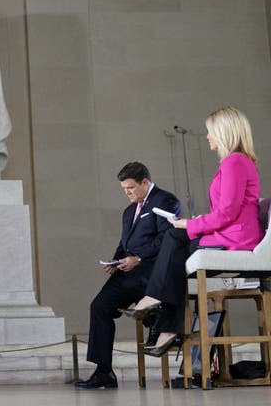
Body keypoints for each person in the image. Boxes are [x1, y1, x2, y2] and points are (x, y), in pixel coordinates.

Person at [122, 106, 264, 357]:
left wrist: (190, 224)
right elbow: (227, 210)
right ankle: (167, 326)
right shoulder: (236, 162)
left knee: (174, 236)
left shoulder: (234, 162)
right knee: (174, 248)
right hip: (230, 231)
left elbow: (228, 214)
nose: (208, 136)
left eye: (210, 131)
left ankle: (158, 307)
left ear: (223, 132)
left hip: (237, 237)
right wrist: (197, 221)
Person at [75, 162, 181, 390]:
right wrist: (115, 261)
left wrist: (139, 258)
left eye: (131, 188)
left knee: (144, 303)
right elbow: (125, 243)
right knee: (99, 307)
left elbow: (167, 237)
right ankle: (104, 371)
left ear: (145, 182)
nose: (127, 193)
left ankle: (163, 325)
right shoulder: (128, 211)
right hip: (128, 270)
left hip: (152, 270)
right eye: (124, 189)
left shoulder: (165, 200)